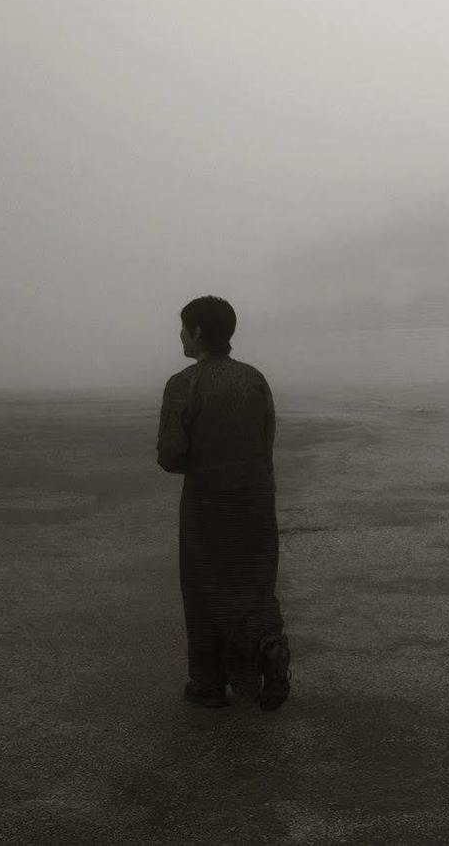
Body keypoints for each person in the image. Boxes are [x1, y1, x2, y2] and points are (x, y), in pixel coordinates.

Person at [156, 295, 292, 711]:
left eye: (183, 328)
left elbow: (170, 456)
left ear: (198, 333)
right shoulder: (255, 379)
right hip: (254, 502)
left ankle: (209, 682)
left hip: (207, 507)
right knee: (255, 586)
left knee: (204, 591)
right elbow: (265, 443)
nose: (180, 335)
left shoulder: (184, 384)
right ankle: (269, 650)